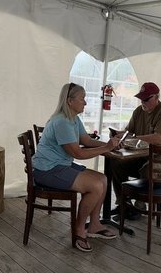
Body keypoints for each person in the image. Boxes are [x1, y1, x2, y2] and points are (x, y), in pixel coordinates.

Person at [32, 83, 123, 252]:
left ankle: (94, 225)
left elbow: (86, 141)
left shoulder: (73, 118)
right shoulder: (61, 122)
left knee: (103, 179)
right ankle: (79, 230)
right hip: (47, 170)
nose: (85, 102)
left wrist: (110, 144)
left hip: (60, 165)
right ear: (69, 101)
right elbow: (78, 153)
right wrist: (106, 147)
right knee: (95, 186)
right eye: (82, 99)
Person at [109, 82, 161, 217]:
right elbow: (129, 132)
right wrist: (118, 134)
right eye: (141, 98)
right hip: (142, 156)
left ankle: (139, 207)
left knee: (147, 169)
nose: (142, 102)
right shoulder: (138, 111)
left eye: (146, 99)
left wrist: (133, 137)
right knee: (116, 163)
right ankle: (124, 204)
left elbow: (158, 138)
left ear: (157, 97)